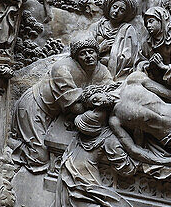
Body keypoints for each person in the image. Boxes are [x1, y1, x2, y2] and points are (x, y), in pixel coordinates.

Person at [10, 37, 113, 174]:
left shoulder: (102, 71)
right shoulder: (62, 68)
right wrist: (96, 102)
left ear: (97, 53)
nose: (88, 56)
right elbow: (75, 107)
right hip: (35, 107)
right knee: (38, 158)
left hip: (58, 114)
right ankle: (12, 142)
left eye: (91, 52)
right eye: (83, 53)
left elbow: (111, 91)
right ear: (76, 58)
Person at [91, 0, 141, 78]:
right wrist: (99, 49)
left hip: (118, 74)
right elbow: (84, 49)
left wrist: (109, 61)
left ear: (126, 14)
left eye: (122, 10)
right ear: (109, 7)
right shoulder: (97, 26)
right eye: (115, 7)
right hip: (94, 70)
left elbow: (129, 58)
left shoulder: (128, 30)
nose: (116, 11)